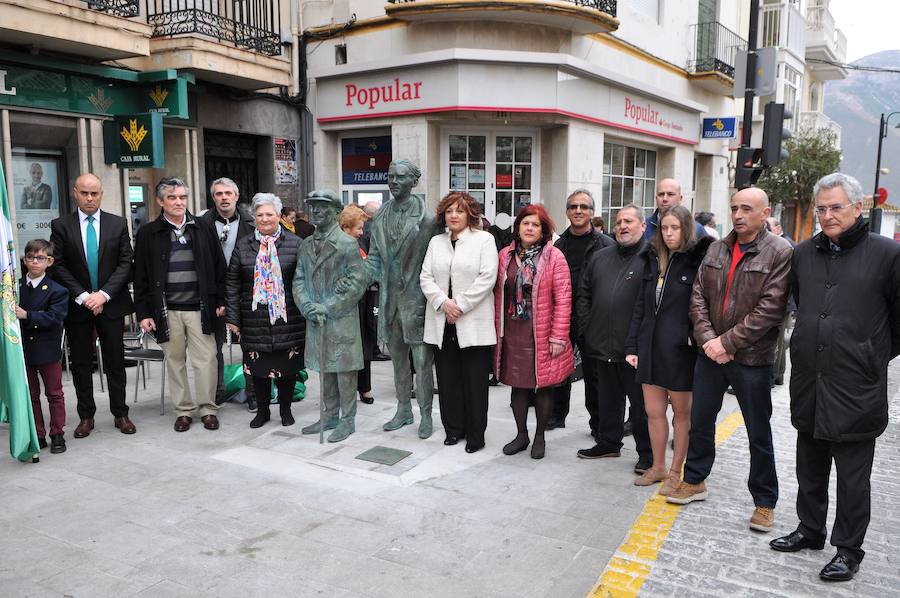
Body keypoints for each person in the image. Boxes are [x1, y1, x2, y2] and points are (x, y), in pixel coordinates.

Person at [769, 173, 900, 582]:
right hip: (810, 381)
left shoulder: (887, 255)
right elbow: (802, 305)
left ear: (858, 208)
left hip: (856, 385)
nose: (827, 215)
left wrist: (871, 355)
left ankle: (848, 548)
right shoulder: (804, 254)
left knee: (852, 477)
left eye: (836, 207)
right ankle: (810, 529)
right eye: (821, 208)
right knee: (809, 464)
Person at [667, 187, 792, 535]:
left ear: (765, 212)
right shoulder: (717, 248)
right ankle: (695, 480)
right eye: (734, 207)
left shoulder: (780, 252)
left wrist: (727, 343)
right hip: (710, 355)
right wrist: (710, 341)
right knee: (701, 422)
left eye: (747, 209)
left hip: (752, 358)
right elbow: (697, 298)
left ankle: (765, 502)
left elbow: (771, 309)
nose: (738, 215)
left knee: (758, 432)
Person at [625, 206, 712, 493]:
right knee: (653, 411)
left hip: (680, 351)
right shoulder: (653, 259)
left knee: (682, 414)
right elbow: (640, 305)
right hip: (650, 347)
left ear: (686, 229)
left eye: (675, 227)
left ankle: (677, 471)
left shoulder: (696, 261)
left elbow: (704, 304)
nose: (669, 233)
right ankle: (658, 467)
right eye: (664, 228)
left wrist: (693, 335)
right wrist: (632, 344)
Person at [133, 177, 226, 432]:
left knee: (206, 359)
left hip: (200, 308)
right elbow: (139, 275)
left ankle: (208, 409)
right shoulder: (148, 233)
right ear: (160, 201)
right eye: (172, 198)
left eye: (182, 197)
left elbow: (219, 266)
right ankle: (184, 410)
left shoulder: (203, 227)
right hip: (167, 310)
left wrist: (220, 300)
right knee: (175, 361)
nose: (178, 202)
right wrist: (143, 313)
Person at [50, 173, 136, 438]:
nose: (89, 198)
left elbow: (126, 263)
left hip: (110, 305)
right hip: (78, 307)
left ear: (101, 194)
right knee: (82, 364)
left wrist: (103, 295)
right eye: (84, 193)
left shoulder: (118, 224)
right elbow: (59, 265)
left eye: (94, 193)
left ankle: (120, 413)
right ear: (75, 193)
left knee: (115, 361)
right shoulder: (61, 225)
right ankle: (86, 416)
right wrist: (85, 296)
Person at [364, 159, 440, 438]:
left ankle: (426, 415)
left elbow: (437, 262)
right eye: (390, 176)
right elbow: (373, 259)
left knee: (422, 363)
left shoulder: (428, 219)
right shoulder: (380, 216)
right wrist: (354, 279)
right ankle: (403, 410)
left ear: (413, 181)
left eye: (400, 177)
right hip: (389, 301)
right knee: (397, 361)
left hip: (417, 300)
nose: (394, 181)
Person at [575, 204, 652, 473]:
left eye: (629, 221)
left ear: (643, 226)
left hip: (635, 349)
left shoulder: (652, 258)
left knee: (641, 406)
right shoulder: (600, 257)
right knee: (608, 399)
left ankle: (647, 453)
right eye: (619, 221)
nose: (622, 226)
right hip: (601, 343)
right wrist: (587, 326)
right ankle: (608, 442)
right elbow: (584, 294)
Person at [421, 191, 499, 453]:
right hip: (442, 322)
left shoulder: (484, 240)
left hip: (472, 322)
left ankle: (476, 435)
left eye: (460, 210)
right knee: (447, 380)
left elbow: (488, 278)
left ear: (470, 214)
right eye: (450, 210)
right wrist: (444, 303)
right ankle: (453, 429)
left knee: (475, 382)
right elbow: (426, 277)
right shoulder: (436, 242)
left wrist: (460, 305)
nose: (454, 215)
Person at [494, 204, 573, 460]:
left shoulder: (554, 257)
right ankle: (521, 435)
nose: (529, 228)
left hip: (541, 331)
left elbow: (563, 299)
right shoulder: (505, 255)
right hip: (513, 331)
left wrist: (558, 336)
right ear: (517, 227)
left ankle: (540, 436)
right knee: (518, 386)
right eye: (525, 223)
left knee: (543, 387)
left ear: (543, 230)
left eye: (535, 224)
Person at [226, 193, 305, 428]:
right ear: (254, 217)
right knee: (257, 370)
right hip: (254, 318)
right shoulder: (244, 245)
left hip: (288, 317)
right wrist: (233, 318)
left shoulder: (295, 243)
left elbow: (303, 281)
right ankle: (262, 412)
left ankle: (285, 410)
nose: (264, 219)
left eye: (269, 214)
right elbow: (232, 282)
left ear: (279, 216)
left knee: (287, 369)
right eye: (260, 214)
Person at [294, 190, 368, 442]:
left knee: (345, 372)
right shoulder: (305, 245)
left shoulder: (347, 244)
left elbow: (358, 283)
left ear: (336, 212)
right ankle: (329, 415)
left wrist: (328, 306)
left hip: (340, 318)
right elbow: (299, 280)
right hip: (315, 318)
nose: (317, 211)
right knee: (324, 370)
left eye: (323, 207)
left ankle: (347, 420)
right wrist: (306, 306)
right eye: (313, 206)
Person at [550, 189, 614, 430]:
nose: (578, 211)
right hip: (563, 318)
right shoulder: (558, 245)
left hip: (594, 321)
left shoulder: (606, 245)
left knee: (595, 376)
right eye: (573, 207)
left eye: (584, 207)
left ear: (592, 212)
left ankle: (598, 423)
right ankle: (557, 415)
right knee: (559, 371)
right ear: (567, 212)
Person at [200, 177, 257, 409]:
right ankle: (218, 391)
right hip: (213, 295)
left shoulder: (252, 223)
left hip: (246, 294)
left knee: (250, 346)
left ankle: (254, 393)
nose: (224, 197)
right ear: (213, 198)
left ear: (236, 196)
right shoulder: (201, 224)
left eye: (228, 193)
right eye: (219, 194)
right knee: (214, 348)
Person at [16, 239, 68, 453]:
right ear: (25, 260)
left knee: (54, 394)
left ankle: (57, 433)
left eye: (40, 258)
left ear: (50, 261)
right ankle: (38, 433)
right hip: (24, 351)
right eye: (30, 257)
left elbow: (55, 318)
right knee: (31, 395)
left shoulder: (57, 290)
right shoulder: (16, 287)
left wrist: (28, 315)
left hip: (47, 350)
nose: (35, 262)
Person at [339, 203, 376, 404]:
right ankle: (346, 390)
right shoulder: (336, 247)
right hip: (345, 307)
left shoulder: (359, 245)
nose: (362, 232)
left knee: (364, 346)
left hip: (362, 305)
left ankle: (365, 387)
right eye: (358, 228)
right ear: (346, 227)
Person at [766, 216, 796, 387]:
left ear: (777, 228)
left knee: (775, 340)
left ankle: (773, 376)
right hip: (786, 302)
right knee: (779, 340)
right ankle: (778, 375)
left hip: (783, 302)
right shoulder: (786, 242)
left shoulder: (784, 245)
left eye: (768, 228)